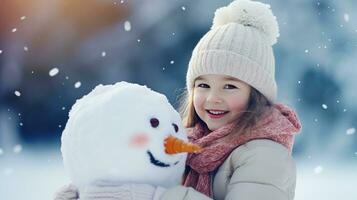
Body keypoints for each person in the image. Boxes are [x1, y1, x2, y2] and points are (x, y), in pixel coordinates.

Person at [54, 0, 301, 199]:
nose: (213, 97)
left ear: (255, 95)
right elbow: (139, 174)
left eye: (229, 86)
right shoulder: (187, 145)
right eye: (203, 85)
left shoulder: (265, 155)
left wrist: (155, 196)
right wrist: (91, 190)